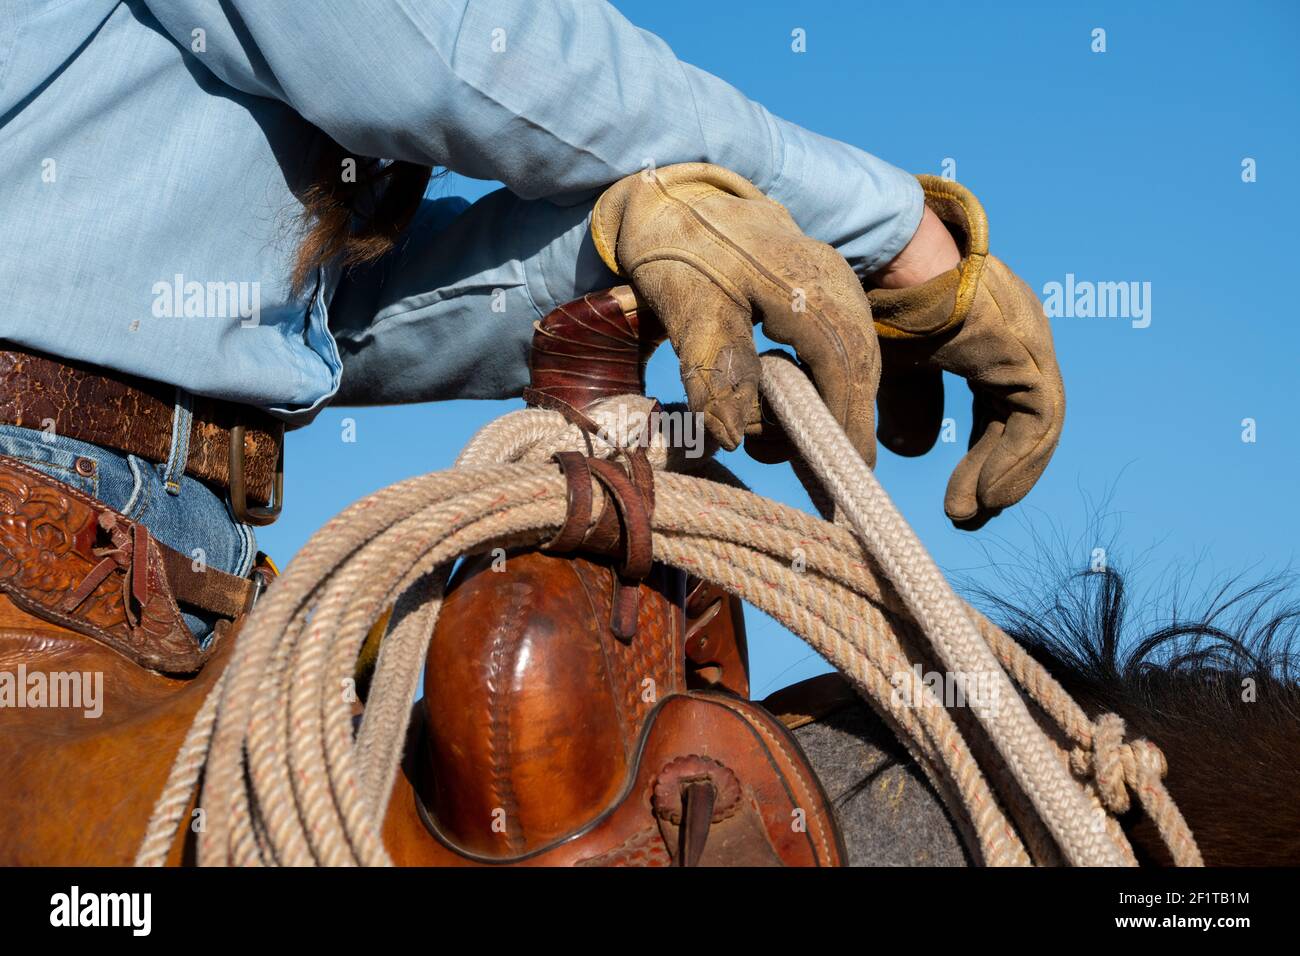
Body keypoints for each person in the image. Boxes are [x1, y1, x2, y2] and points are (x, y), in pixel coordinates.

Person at [0, 0, 1062, 653]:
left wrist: (620, 242)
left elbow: (318, 321)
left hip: (137, 529)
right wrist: (887, 227)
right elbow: (440, 50)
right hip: (47, 497)